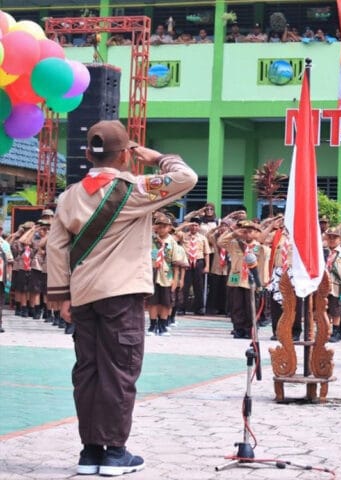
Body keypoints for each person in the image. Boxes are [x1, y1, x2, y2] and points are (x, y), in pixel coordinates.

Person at [46, 120, 197, 476]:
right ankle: (114, 453)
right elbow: (186, 177)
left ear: (87, 155)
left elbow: (56, 247)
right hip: (122, 294)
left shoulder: (68, 196)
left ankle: (89, 451)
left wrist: (61, 296)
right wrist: (158, 157)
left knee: (87, 372)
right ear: (128, 155)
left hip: (82, 296)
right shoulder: (137, 189)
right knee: (119, 371)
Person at [216, 220, 271, 339]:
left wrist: (263, 280)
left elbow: (264, 264)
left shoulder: (261, 248)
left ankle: (250, 329)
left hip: (252, 280)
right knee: (237, 305)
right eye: (244, 231)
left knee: (251, 306)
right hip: (237, 278)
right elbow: (220, 242)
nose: (247, 234)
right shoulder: (235, 244)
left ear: (256, 233)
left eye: (250, 231)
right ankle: (238, 328)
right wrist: (234, 233)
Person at [147, 213, 184, 336]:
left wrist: (176, 280)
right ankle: (152, 325)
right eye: (159, 225)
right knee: (153, 301)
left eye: (164, 226)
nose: (161, 228)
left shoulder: (172, 242)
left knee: (166, 302)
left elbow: (176, 264)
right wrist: (153, 230)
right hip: (152, 272)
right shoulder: (150, 239)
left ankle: (163, 325)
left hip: (167, 274)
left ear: (169, 228)